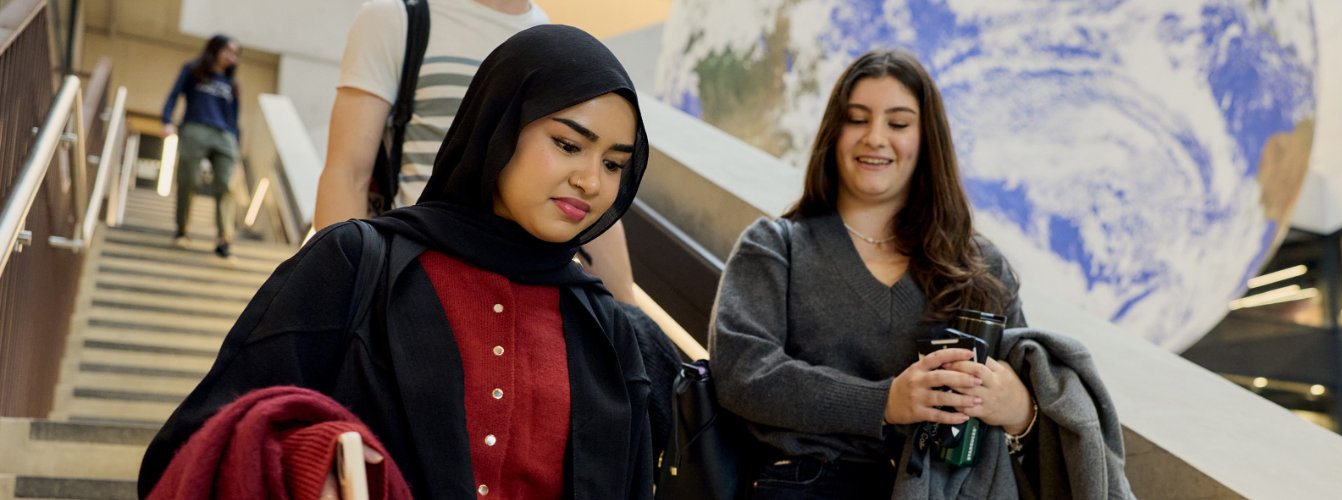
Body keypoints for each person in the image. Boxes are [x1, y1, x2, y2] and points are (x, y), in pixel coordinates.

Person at [139, 26, 673, 499]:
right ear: (499, 125)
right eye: (567, 143)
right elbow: (207, 440)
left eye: (613, 163)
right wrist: (311, 460)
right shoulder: (355, 262)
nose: (592, 181)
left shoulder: (604, 329)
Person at [708, 49, 1037, 499]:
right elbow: (743, 372)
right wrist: (884, 402)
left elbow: (1028, 398)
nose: (875, 138)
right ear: (833, 133)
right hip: (806, 483)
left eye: (898, 123)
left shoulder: (982, 268)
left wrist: (1020, 409)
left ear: (926, 140)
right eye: (857, 119)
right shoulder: (775, 246)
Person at [314, 0, 639, 304]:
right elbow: (347, 173)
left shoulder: (553, 39)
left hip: (525, 287)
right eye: (565, 144)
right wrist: (345, 298)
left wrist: (629, 318)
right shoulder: (399, 17)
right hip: (414, 275)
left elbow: (584, 175)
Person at [162, 34, 242, 258]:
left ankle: (224, 238)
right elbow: (173, 95)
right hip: (195, 128)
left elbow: (235, 119)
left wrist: (237, 148)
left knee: (226, 185)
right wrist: (166, 120)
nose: (232, 57)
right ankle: (182, 230)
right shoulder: (193, 70)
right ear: (214, 50)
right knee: (189, 180)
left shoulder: (232, 84)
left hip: (225, 135)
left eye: (235, 54)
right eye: (228, 51)